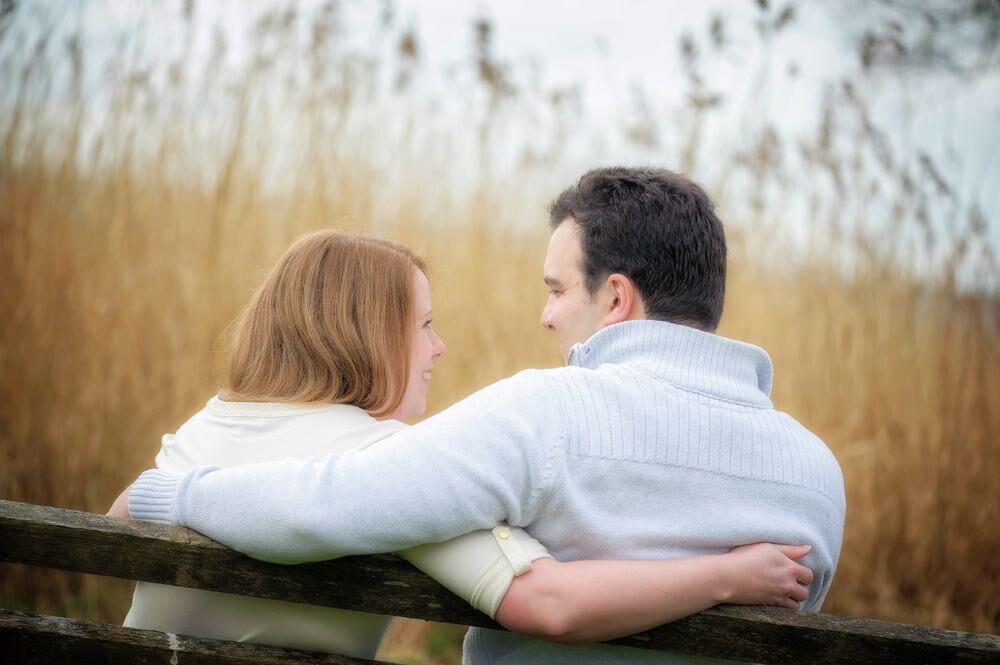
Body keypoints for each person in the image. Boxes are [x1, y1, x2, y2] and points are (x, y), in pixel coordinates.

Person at [116, 168, 846, 664]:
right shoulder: (817, 474)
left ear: (617, 299)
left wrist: (168, 489)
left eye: (557, 289)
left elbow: (327, 502)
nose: (544, 314)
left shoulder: (542, 416)